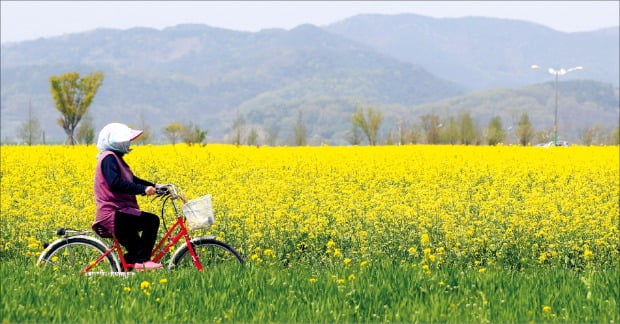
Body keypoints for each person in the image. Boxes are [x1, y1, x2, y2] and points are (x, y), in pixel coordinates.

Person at [92, 122, 163, 271]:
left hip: (119, 212)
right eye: (124, 141)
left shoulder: (115, 158)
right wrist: (143, 189)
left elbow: (132, 180)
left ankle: (119, 277)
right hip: (113, 214)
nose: (127, 143)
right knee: (151, 221)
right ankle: (143, 261)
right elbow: (115, 183)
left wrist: (155, 187)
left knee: (136, 252)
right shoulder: (108, 158)